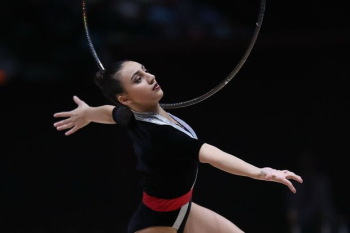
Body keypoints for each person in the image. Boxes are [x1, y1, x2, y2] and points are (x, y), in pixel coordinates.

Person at [53, 60, 303, 233]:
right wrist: (259, 172)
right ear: (126, 98)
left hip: (183, 209)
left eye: (145, 70)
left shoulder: (133, 115)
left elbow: (110, 113)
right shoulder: (158, 135)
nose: (150, 77)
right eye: (138, 79)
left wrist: (88, 114)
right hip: (156, 223)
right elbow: (212, 155)